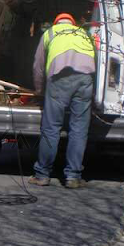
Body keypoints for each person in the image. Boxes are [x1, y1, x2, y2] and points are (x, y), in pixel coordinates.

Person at [30, 12, 96, 189]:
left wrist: (39, 90)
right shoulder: (84, 34)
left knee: (51, 128)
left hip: (59, 79)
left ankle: (42, 175)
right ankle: (73, 177)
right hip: (85, 79)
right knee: (79, 129)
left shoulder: (50, 33)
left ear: (56, 22)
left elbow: (38, 65)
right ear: (73, 23)